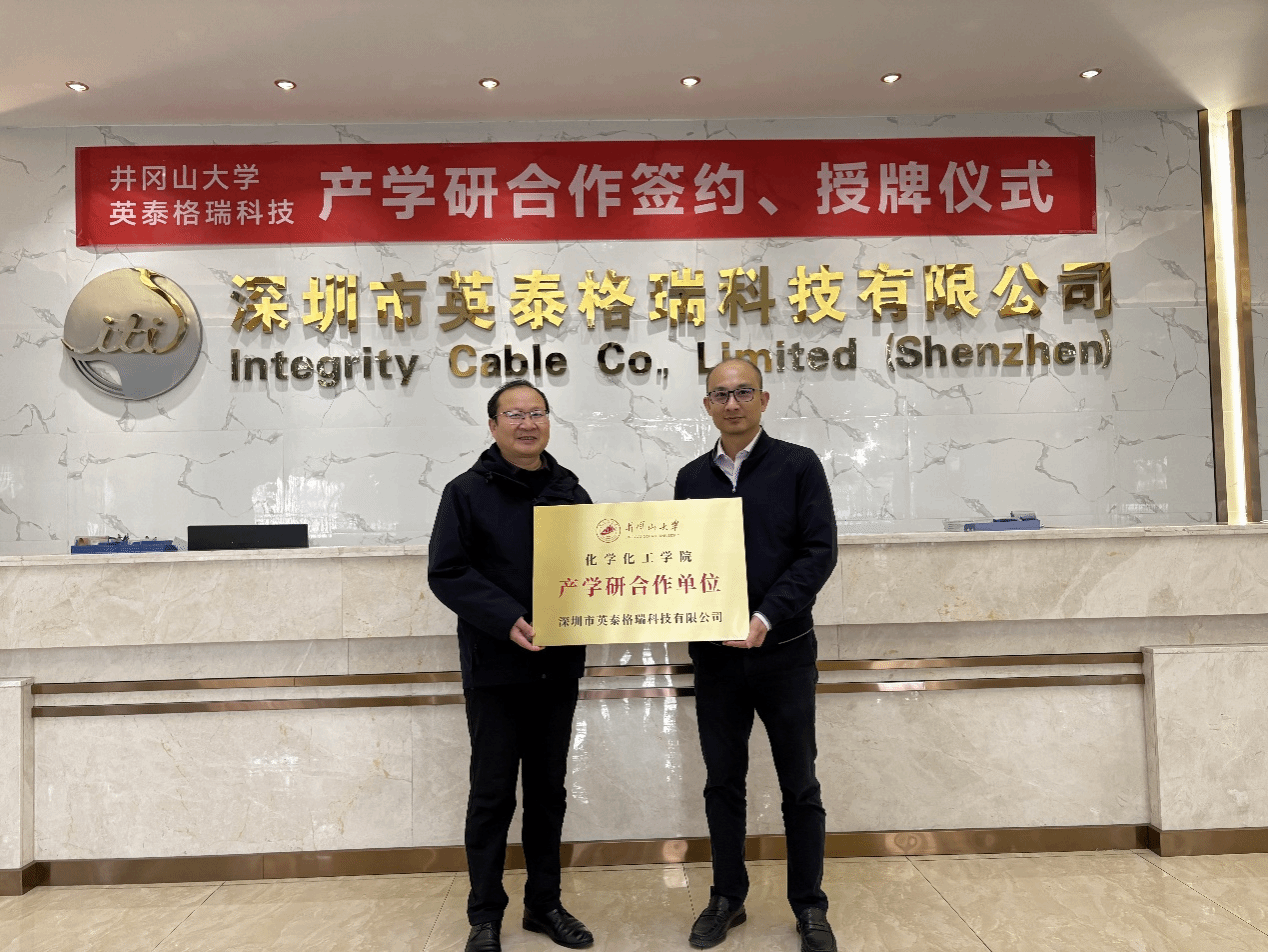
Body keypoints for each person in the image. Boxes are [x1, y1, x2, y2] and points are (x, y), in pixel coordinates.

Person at [674, 358, 839, 952]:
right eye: (720, 394)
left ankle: (809, 905)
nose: (732, 403)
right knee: (723, 783)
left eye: (744, 392)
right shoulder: (690, 478)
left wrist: (765, 616)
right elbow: (681, 561)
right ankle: (727, 897)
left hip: (784, 652)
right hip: (716, 659)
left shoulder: (798, 465)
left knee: (800, 784)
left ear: (764, 400)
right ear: (707, 406)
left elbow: (818, 552)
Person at [428, 379, 595, 952]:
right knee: (492, 793)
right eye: (515, 414)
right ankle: (484, 914)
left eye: (537, 413)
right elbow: (447, 572)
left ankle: (544, 904)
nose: (528, 424)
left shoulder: (571, 491)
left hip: (557, 666)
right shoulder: (465, 492)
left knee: (548, 792)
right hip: (495, 666)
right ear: (493, 425)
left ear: (549, 421)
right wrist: (506, 618)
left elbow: (596, 569)